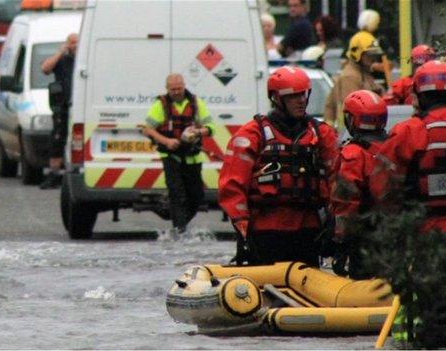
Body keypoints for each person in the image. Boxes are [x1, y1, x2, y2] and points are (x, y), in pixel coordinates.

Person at [371, 61, 446, 347]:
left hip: (432, 236)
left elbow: (383, 187)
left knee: (438, 319)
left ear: (419, 93)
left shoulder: (410, 132)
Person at [219, 66, 338, 265]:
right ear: (276, 98)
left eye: (303, 94)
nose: (301, 100)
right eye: (293, 96)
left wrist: (335, 226)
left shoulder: (321, 134)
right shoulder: (252, 135)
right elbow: (232, 186)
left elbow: (339, 181)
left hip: (308, 230)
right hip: (265, 231)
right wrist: (242, 228)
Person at [142, 73, 215, 234]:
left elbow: (211, 127)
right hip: (171, 156)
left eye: (179, 88)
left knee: (197, 195)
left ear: (184, 85)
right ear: (167, 89)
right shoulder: (161, 105)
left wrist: (198, 132)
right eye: (172, 89)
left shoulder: (196, 103)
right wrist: (167, 141)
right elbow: (148, 129)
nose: (176, 92)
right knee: (177, 194)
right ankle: (179, 230)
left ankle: (176, 219)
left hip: (193, 157)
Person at [329, 90, 387, 279]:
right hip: (393, 234)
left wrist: (340, 242)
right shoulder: (394, 146)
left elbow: (345, 203)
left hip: (363, 239)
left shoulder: (353, 154)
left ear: (353, 120)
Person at [39, 33, 78, 189]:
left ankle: (74, 172)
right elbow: (45, 69)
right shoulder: (62, 60)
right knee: (57, 139)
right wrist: (61, 52)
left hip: (79, 107)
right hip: (62, 106)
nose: (75, 46)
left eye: (77, 42)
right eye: (72, 43)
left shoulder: (85, 60)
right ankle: (54, 174)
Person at [324, 31, 384, 131]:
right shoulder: (350, 77)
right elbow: (354, 111)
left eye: (374, 54)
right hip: (353, 135)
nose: (373, 58)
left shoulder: (363, 73)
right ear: (357, 53)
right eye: (369, 54)